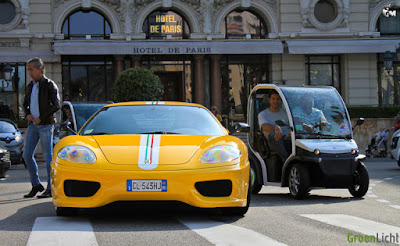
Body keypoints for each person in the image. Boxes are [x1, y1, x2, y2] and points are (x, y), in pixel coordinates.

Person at [23, 57, 60, 198]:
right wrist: (27, 114)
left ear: (40, 69)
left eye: (31, 69)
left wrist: (41, 117)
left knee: (47, 157)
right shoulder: (30, 86)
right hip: (32, 125)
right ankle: (36, 185)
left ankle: (50, 188)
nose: (29, 72)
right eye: (28, 70)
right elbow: (25, 104)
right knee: (26, 155)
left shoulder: (50, 85)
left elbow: (56, 105)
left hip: (46, 125)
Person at [258, 90, 290, 162]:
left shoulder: (286, 113)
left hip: (287, 139)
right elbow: (264, 126)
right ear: (269, 100)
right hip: (271, 142)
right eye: (273, 99)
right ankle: (286, 160)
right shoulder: (263, 114)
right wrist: (276, 128)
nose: (276, 101)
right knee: (273, 133)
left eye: (278, 99)